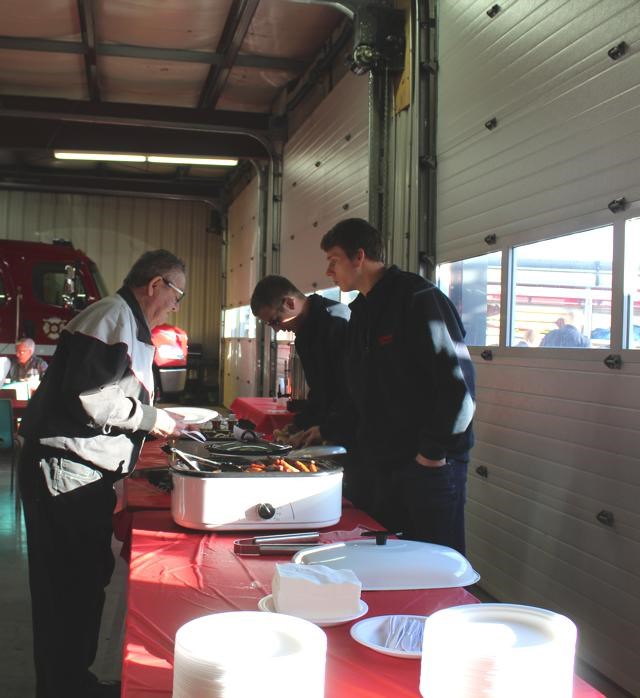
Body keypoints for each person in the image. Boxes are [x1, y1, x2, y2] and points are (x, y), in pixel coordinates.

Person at [18, 249, 189, 698]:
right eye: (177, 295)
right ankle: (63, 687)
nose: (176, 305)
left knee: (82, 582)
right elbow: (92, 399)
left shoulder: (125, 321)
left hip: (82, 469)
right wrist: (153, 420)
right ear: (156, 285)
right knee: (66, 587)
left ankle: (74, 680)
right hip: (65, 471)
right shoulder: (111, 317)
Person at [320, 218, 476, 554]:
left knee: (433, 563)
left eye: (333, 261)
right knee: (386, 561)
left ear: (359, 256)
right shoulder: (361, 312)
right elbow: (359, 389)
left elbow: (458, 387)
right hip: (381, 464)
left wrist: (432, 453)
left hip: (427, 466)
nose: (329, 272)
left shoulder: (418, 299)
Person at [250, 275, 350, 447]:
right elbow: (320, 391)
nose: (277, 330)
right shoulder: (303, 336)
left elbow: (350, 390)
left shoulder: (336, 323)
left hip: (349, 429)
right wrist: (300, 424)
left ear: (290, 303)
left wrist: (328, 430)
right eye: (270, 325)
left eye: (276, 321)